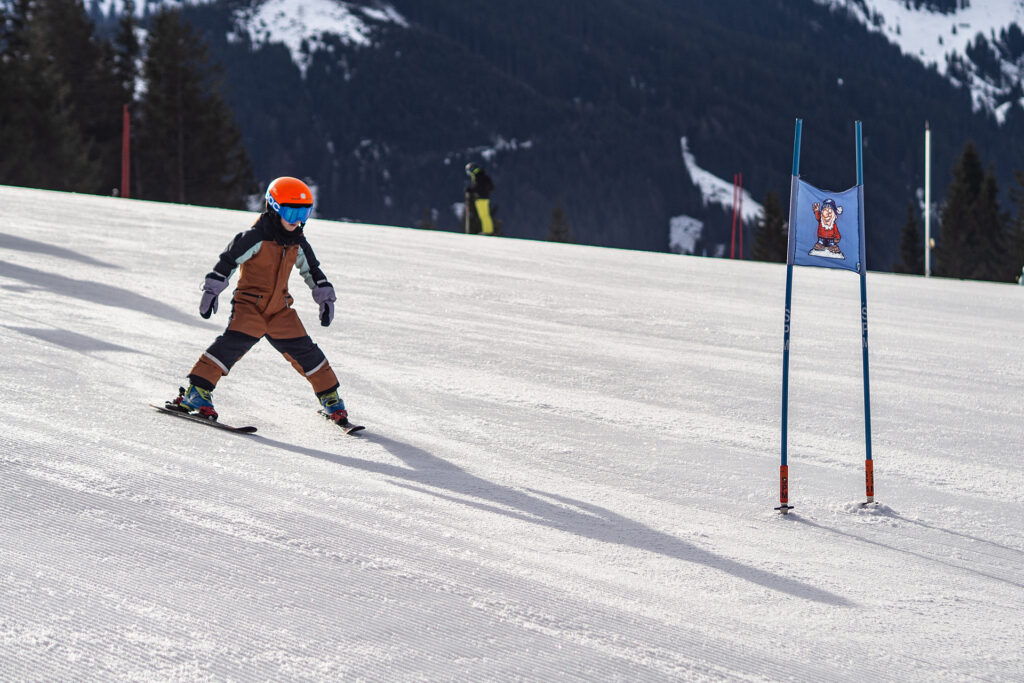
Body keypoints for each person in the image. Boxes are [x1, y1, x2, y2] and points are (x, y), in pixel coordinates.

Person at [169, 176, 352, 427]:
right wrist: (212, 290)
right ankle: (196, 393)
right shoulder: (254, 237)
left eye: (303, 214)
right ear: (274, 209)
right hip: (250, 307)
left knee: (308, 353)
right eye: (291, 213)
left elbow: (313, 271)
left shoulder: (297, 241)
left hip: (280, 310)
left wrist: (325, 297)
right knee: (230, 347)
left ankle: (331, 399)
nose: (297, 221)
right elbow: (228, 261)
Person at [464, 162, 495, 235]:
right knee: (485, 215)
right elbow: (490, 187)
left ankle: (488, 231)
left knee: (484, 215)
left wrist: (470, 190)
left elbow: (477, 187)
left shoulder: (478, 176)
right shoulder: (482, 175)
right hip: (485, 197)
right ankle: (488, 230)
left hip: (481, 198)